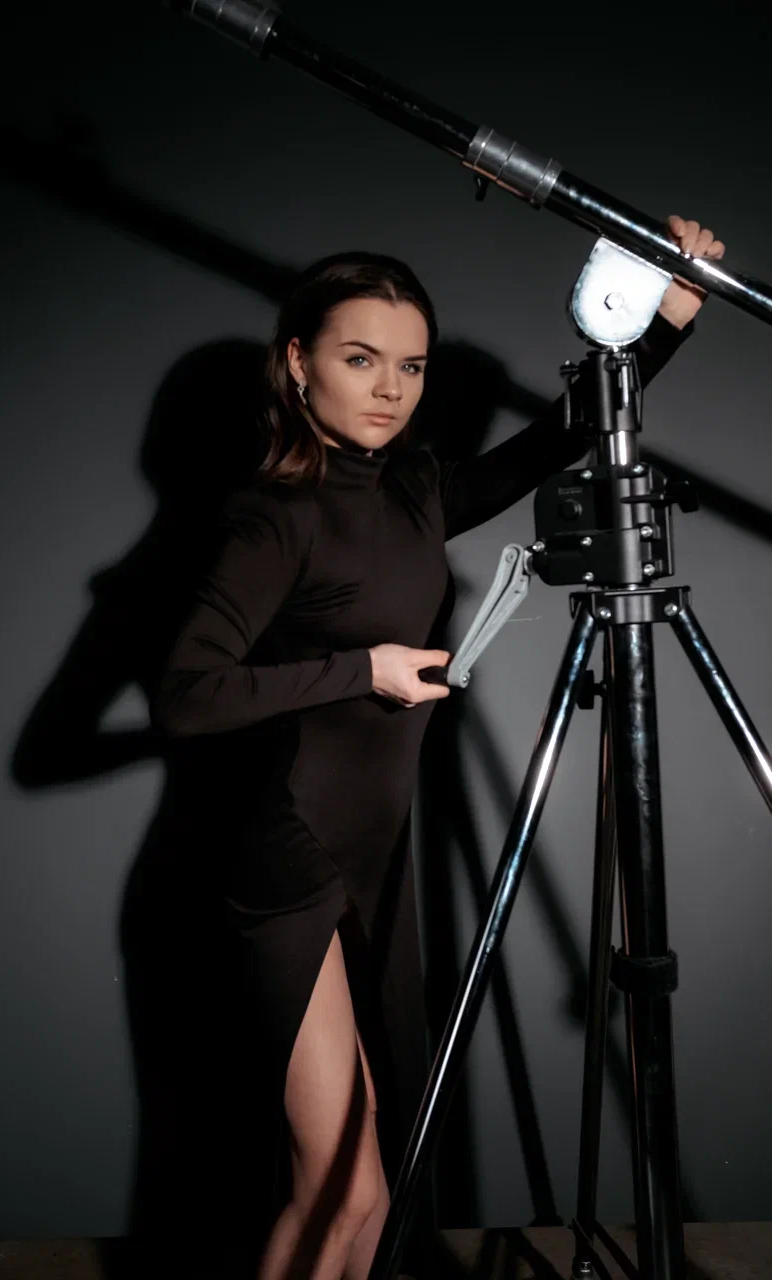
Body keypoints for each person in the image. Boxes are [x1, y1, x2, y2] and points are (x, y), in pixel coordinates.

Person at [150, 214, 724, 1280]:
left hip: (376, 858)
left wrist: (670, 311)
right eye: (359, 358)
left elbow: (555, 439)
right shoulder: (272, 516)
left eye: (409, 366)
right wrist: (360, 669)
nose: (389, 389)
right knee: (342, 1186)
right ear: (297, 361)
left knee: (377, 1195)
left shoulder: (413, 489)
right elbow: (184, 696)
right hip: (284, 861)